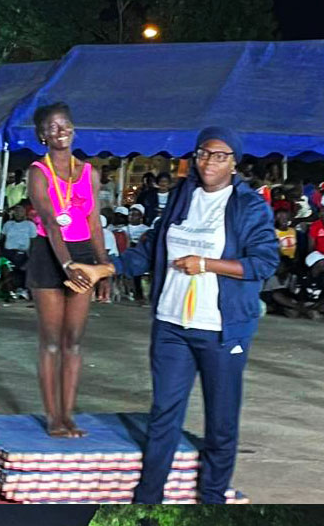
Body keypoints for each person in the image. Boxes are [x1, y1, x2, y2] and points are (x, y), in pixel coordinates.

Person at [113, 126, 281, 504]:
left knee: (221, 424)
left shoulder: (248, 205)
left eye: (220, 156)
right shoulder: (180, 197)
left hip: (221, 330)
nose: (209, 162)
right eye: (204, 153)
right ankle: (148, 498)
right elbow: (153, 249)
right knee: (163, 417)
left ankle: (212, 497)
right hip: (172, 325)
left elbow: (264, 262)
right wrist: (108, 268)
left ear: (234, 163)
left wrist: (206, 264)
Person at [23, 103, 115, 439]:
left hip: (82, 254)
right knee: (50, 341)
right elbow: (49, 219)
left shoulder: (89, 172)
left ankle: (68, 416)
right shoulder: (38, 171)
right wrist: (67, 265)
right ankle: (53, 418)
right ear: (41, 135)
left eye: (65, 125)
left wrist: (103, 268)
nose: (60, 131)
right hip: (51, 255)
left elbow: (94, 221)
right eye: (52, 127)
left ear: (74, 129)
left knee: (73, 341)